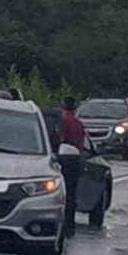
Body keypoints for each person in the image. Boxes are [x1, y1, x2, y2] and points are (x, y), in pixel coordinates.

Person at [57, 95, 85, 235]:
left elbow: (60, 138)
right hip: (75, 158)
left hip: (62, 156)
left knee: (58, 191)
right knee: (71, 192)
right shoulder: (78, 123)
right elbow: (80, 143)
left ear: (63, 106)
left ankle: (59, 223)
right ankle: (70, 225)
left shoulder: (61, 120)